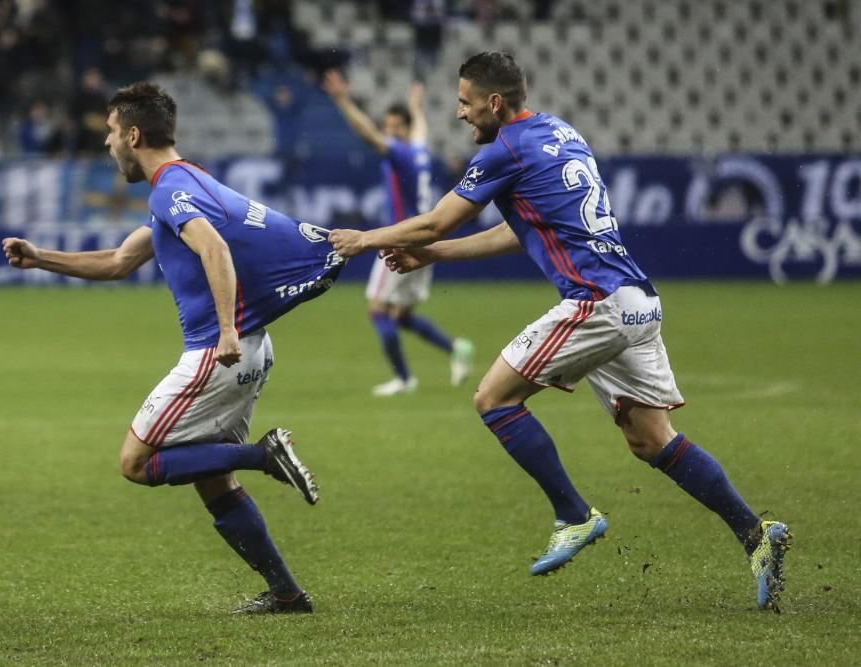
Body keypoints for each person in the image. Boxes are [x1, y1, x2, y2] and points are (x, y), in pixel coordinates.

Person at [329, 52, 790, 611]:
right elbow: (518, 231)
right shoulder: (560, 131)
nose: (460, 114)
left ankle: (573, 513)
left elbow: (434, 220)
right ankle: (755, 535)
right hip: (638, 300)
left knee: (493, 399)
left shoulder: (504, 150)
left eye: (466, 103)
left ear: (494, 102)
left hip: (594, 303)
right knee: (650, 439)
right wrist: (434, 257)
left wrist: (365, 240)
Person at [3, 82, 344, 615]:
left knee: (136, 462)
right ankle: (286, 593)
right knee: (211, 478)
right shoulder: (186, 182)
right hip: (252, 349)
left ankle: (265, 454)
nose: (108, 145)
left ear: (134, 134)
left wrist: (226, 330)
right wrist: (39, 257)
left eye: (112, 133)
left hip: (219, 351)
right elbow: (119, 261)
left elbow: (214, 247)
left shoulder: (168, 189)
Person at [323, 69, 475, 397]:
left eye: (395, 128)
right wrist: (416, 106)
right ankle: (456, 348)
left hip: (399, 242)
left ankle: (404, 379)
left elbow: (368, 136)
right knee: (402, 316)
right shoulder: (419, 150)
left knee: (378, 310)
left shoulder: (402, 153)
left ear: (403, 130)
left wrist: (342, 100)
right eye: (387, 128)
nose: (389, 134)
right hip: (423, 240)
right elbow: (420, 128)